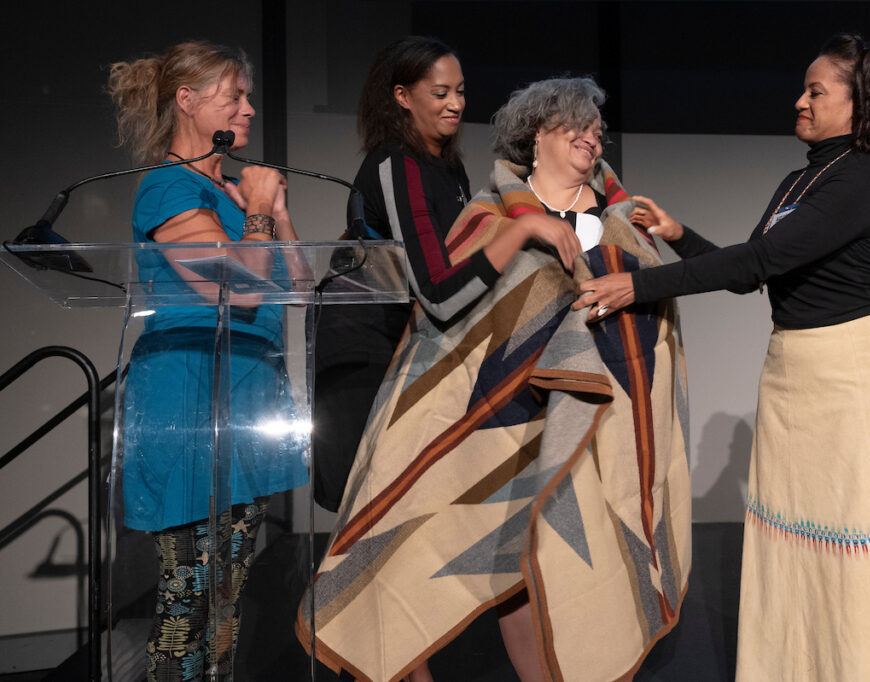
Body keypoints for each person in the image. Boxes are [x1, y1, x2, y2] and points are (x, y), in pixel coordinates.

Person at [575, 33, 870, 681]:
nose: (799, 101)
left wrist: (637, 285)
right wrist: (676, 237)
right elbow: (752, 274)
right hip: (797, 375)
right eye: (803, 89)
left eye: (816, 91)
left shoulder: (863, 180)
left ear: (860, 104)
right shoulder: (800, 179)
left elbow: (758, 261)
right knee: (810, 532)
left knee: (864, 528)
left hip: (860, 375)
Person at [298, 77, 692, 682]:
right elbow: (450, 323)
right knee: (494, 563)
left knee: (573, 569)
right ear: (537, 135)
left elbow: (656, 331)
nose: (591, 137)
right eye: (575, 126)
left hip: (596, 420)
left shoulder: (628, 221)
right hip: (498, 420)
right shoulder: (487, 217)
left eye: (596, 129)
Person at [109, 40, 308, 680]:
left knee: (224, 606)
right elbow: (240, 288)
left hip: (246, 405)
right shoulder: (167, 187)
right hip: (192, 404)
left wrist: (274, 210)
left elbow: (299, 287)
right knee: (187, 605)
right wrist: (254, 209)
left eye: (247, 96)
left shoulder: (234, 190)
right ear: (187, 102)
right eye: (235, 96)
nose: (248, 110)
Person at [311, 36, 471, 515]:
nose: (456, 104)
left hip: (412, 345)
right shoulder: (394, 163)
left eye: (461, 91)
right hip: (365, 352)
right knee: (367, 507)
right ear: (402, 96)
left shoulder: (450, 168)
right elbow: (434, 282)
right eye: (440, 93)